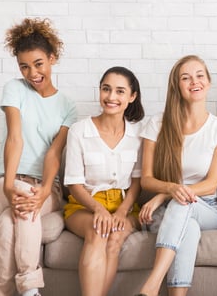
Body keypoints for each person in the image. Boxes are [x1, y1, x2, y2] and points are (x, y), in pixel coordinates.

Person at [0, 18, 78, 296]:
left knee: (7, 225)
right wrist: (9, 183)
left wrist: (46, 189)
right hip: (6, 182)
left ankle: (4, 292)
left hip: (45, 187)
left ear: (52, 58)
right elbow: (15, 137)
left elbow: (54, 152)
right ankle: (29, 289)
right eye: (24, 66)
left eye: (38, 63)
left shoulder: (67, 106)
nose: (32, 73)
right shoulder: (15, 89)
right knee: (23, 202)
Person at [135, 55, 217, 296]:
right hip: (169, 213)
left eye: (200, 75)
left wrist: (164, 195)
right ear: (177, 86)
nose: (194, 81)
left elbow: (212, 183)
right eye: (186, 77)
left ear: (208, 82)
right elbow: (146, 179)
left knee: (183, 204)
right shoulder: (158, 124)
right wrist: (170, 191)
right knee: (187, 227)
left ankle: (151, 285)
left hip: (208, 209)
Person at [63, 66, 145, 296]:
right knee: (99, 232)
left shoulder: (138, 135)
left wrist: (121, 212)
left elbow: (137, 182)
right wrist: (98, 209)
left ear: (132, 97)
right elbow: (74, 184)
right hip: (84, 205)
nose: (111, 97)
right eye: (106, 89)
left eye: (120, 91)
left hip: (124, 205)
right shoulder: (79, 131)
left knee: (115, 237)